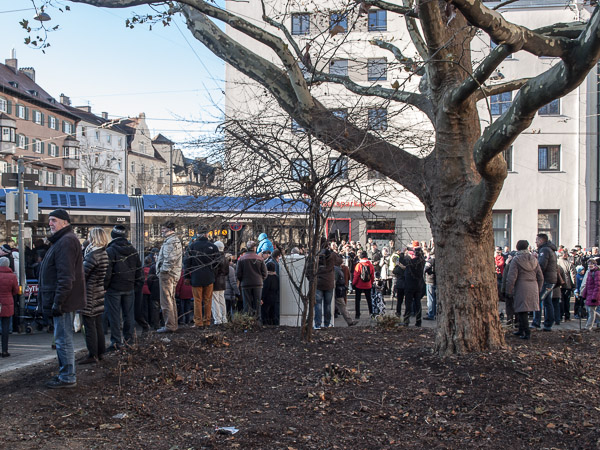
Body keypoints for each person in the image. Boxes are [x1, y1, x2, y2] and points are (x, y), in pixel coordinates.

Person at [39, 209, 85, 388]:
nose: (50, 223)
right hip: (64, 299)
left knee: (63, 339)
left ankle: (67, 376)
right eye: (49, 220)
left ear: (65, 222)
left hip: (64, 301)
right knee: (62, 338)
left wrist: (58, 302)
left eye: (54, 220)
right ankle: (66, 374)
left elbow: (66, 277)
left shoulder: (65, 241)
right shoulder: (64, 240)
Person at [105, 225, 143, 349]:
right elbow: (139, 270)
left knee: (115, 316)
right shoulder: (133, 250)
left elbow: (107, 272)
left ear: (113, 236)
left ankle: (116, 342)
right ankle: (129, 340)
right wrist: (136, 285)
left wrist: (105, 286)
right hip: (129, 287)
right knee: (129, 315)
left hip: (114, 288)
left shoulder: (110, 251)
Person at [80, 227, 109, 365]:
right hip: (98, 291)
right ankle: (100, 352)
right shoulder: (103, 253)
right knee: (97, 324)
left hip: (90, 293)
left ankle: (92, 354)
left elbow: (82, 274)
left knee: (89, 325)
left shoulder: (93, 255)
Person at [505, 240, 543, 340]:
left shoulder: (516, 260)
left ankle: (526, 332)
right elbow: (540, 277)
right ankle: (521, 330)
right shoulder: (534, 259)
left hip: (521, 286)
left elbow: (512, 277)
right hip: (533, 285)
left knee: (522, 311)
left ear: (517, 248)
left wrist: (508, 290)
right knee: (524, 310)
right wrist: (538, 288)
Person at [184, 227, 220, 328]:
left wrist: (187, 276)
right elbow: (217, 262)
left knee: (197, 300)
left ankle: (198, 322)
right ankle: (207, 321)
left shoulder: (192, 246)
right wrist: (213, 273)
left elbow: (187, 263)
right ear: (206, 234)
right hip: (209, 276)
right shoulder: (213, 246)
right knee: (208, 300)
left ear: (197, 234)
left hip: (196, 277)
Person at [156, 222, 183, 333]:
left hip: (168, 275)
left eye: (163, 228)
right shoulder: (175, 240)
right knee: (170, 300)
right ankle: (173, 324)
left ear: (170, 229)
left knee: (166, 301)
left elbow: (170, 259)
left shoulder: (170, 242)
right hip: (173, 274)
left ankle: (169, 325)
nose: (162, 231)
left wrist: (163, 271)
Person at [312, 237, 342, 329]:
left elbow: (309, 269)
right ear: (327, 245)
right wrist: (334, 251)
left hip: (318, 282)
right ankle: (327, 323)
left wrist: (312, 280)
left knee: (318, 304)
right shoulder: (332, 255)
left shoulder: (315, 255)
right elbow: (340, 261)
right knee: (328, 304)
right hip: (329, 282)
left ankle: (317, 324)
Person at [531, 233, 557, 331]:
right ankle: (548, 324)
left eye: (537, 241)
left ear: (541, 241)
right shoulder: (549, 249)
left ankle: (536, 322)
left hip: (546, 280)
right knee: (547, 301)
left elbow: (542, 266)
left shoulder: (544, 250)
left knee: (538, 299)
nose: (536, 242)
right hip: (551, 279)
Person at [236, 240, 268, 320]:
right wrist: (260, 279)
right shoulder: (260, 259)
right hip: (258, 284)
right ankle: (258, 321)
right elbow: (265, 273)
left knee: (247, 305)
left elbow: (238, 274)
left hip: (245, 284)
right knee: (257, 305)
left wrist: (242, 280)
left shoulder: (241, 259)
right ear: (254, 248)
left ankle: (248, 322)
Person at [0, 256, 18, 357]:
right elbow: (15, 290)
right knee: (5, 327)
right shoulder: (12, 276)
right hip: (7, 302)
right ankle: (4, 350)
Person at [403, 246, 425, 327]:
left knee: (408, 303)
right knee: (418, 303)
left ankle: (406, 320)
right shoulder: (422, 261)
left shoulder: (411, 262)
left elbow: (403, 260)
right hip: (418, 285)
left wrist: (403, 253)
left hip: (410, 285)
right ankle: (418, 321)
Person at [212, 240, 230, 325]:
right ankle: (224, 318)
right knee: (222, 300)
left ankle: (217, 319)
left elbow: (214, 271)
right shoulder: (225, 259)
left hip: (216, 281)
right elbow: (227, 272)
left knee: (215, 300)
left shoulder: (215, 258)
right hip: (222, 281)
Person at [353, 251, 375, 319]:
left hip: (359, 285)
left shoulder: (358, 265)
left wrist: (353, 283)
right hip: (368, 285)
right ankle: (371, 313)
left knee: (357, 300)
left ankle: (357, 314)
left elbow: (356, 276)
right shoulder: (370, 265)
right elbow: (372, 276)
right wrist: (371, 282)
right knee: (369, 300)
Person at [580, 259, 600, 331]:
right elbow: (587, 286)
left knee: (591, 312)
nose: (590, 265)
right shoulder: (589, 272)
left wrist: (594, 297)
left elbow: (597, 287)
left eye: (591, 264)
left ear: (595, 265)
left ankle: (588, 327)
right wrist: (583, 295)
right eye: (589, 264)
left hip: (594, 295)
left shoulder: (597, 273)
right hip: (589, 295)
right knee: (591, 311)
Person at [557, 250, 576, 322]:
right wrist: (574, 285)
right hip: (567, 285)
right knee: (567, 301)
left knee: (560, 301)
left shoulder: (557, 262)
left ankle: (560, 316)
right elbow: (573, 275)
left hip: (558, 285)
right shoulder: (569, 264)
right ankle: (567, 316)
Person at [261, 260, 280, 325]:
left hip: (267, 298)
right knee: (273, 313)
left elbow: (265, 289)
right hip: (275, 298)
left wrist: (262, 298)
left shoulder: (266, 278)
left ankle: (266, 324)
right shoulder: (277, 277)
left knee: (265, 312)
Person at [224, 253, 240, 319]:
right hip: (229, 293)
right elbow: (233, 282)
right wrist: (237, 292)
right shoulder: (230, 269)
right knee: (229, 311)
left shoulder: (221, 268)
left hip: (222, 292)